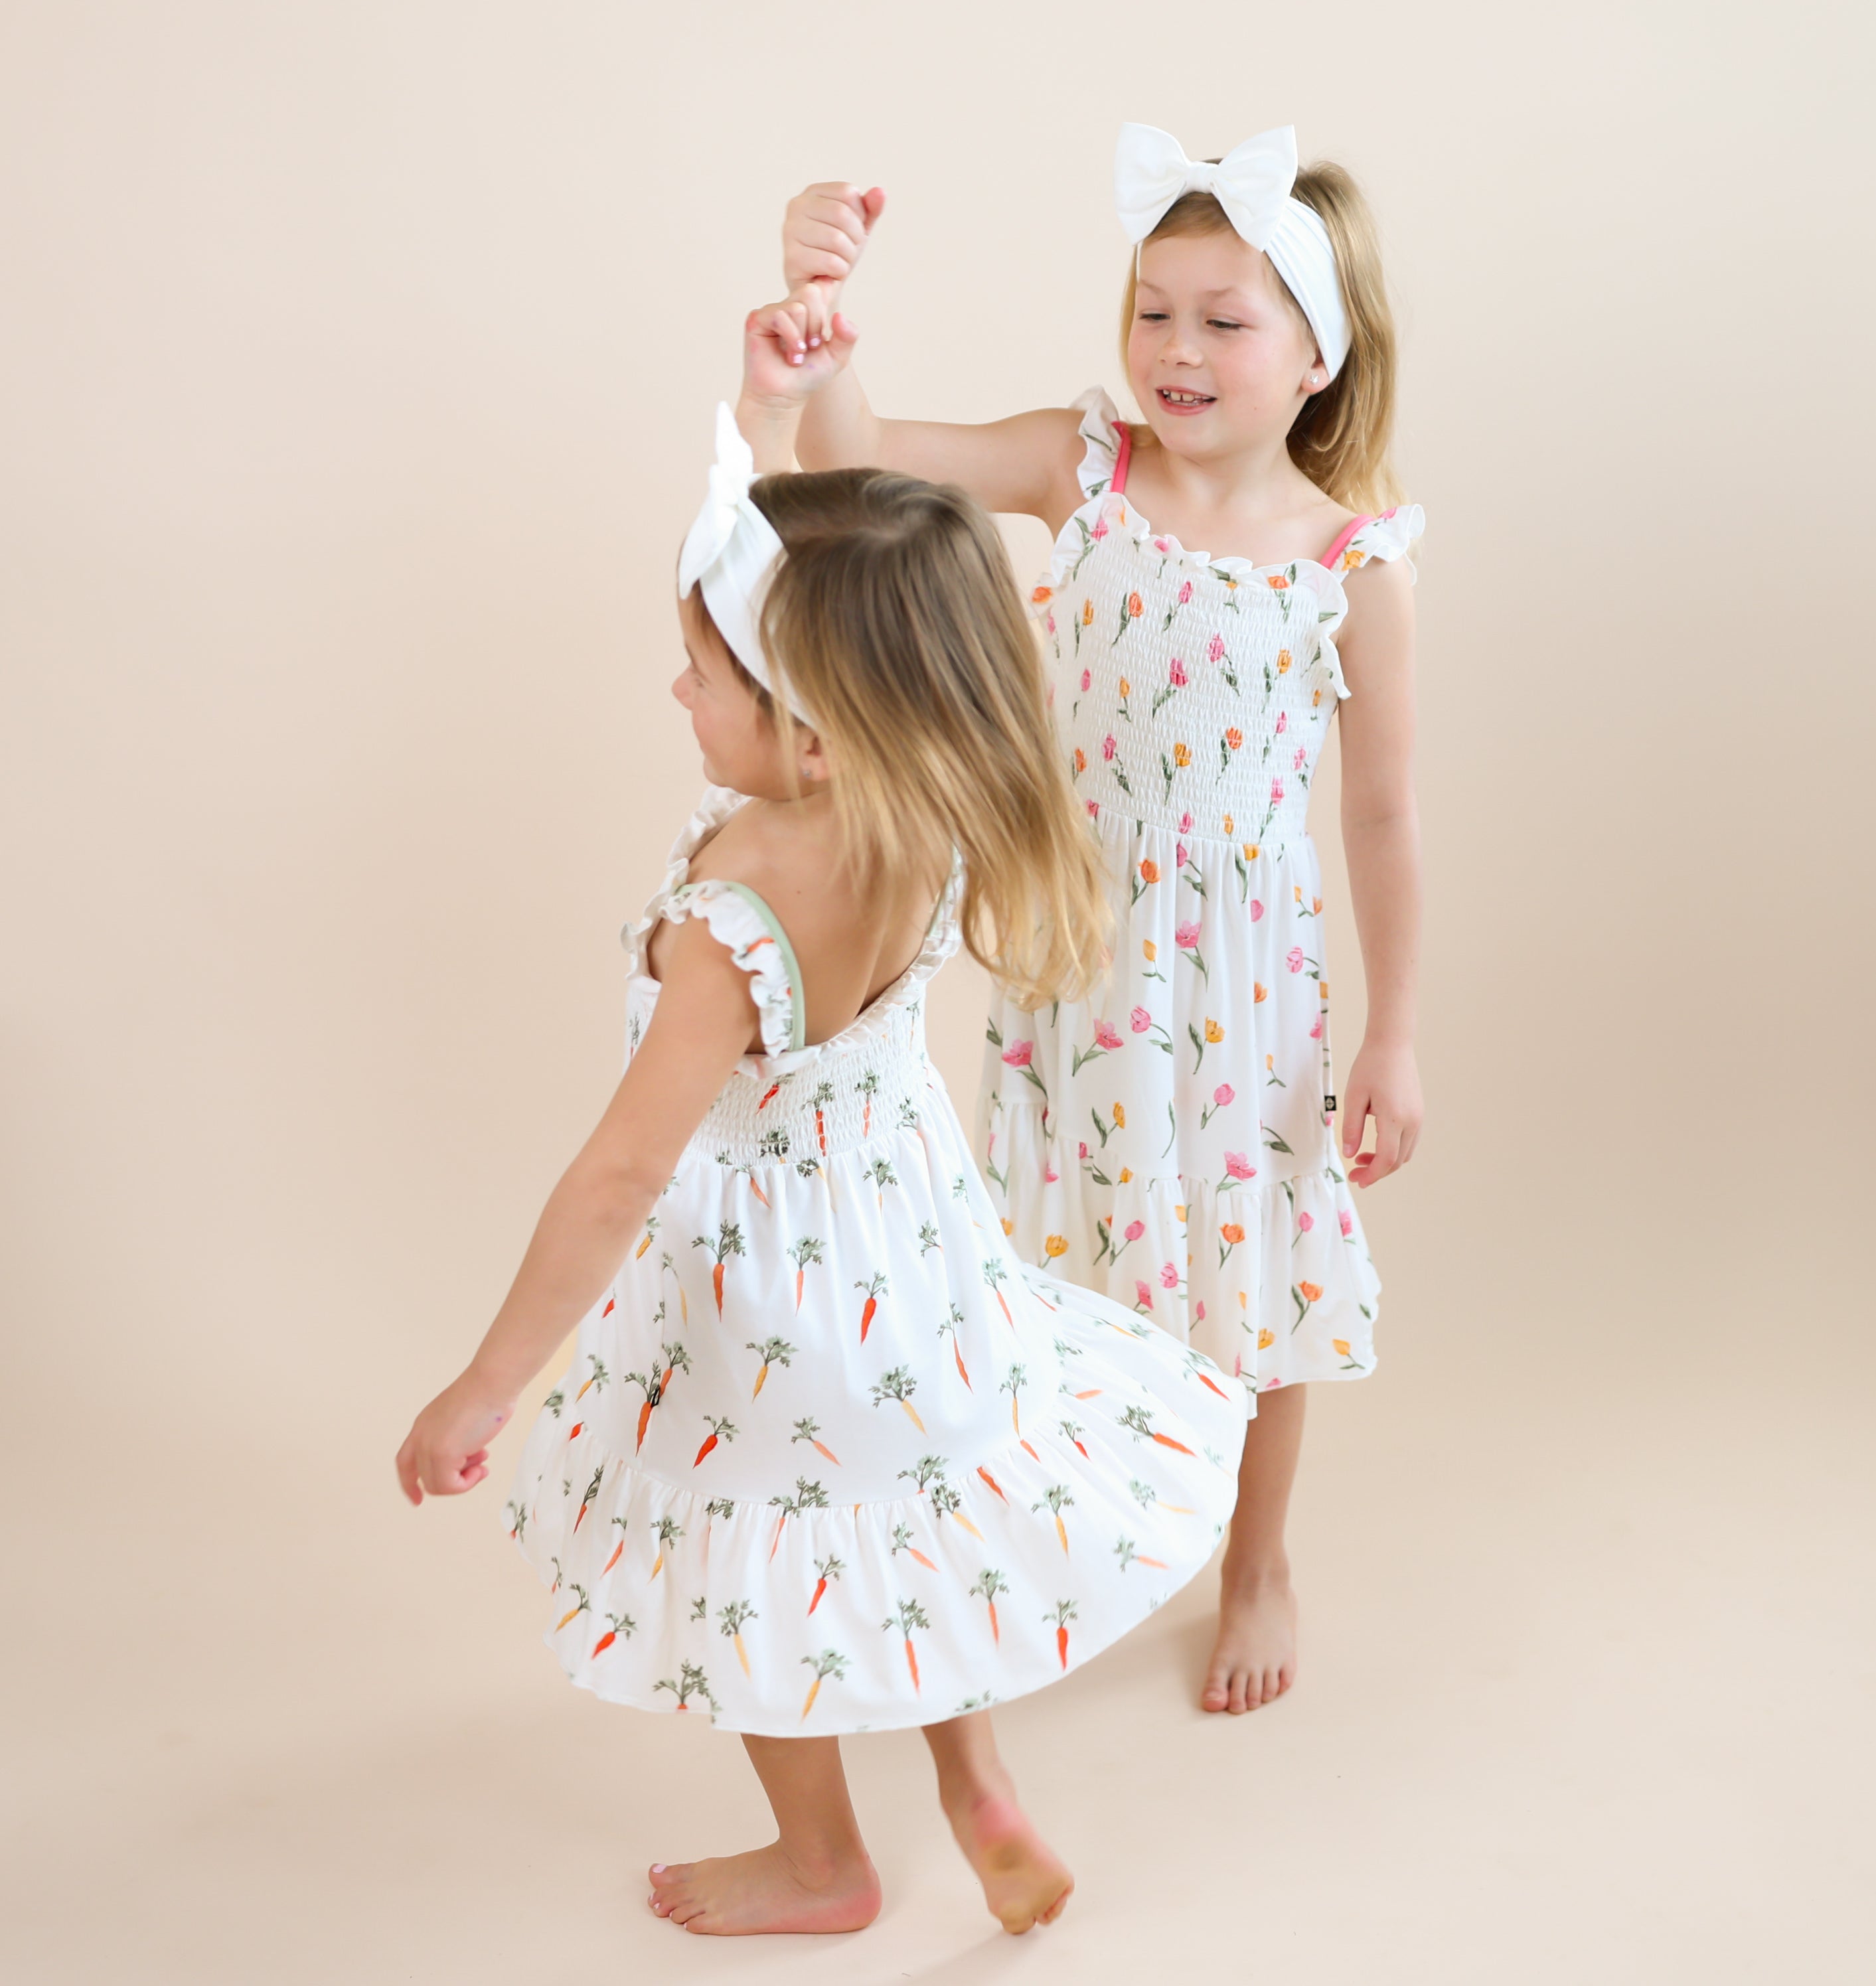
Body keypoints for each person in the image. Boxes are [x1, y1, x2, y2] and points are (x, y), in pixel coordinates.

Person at [394, 309, 1245, 1938]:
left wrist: (488, 1384)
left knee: (766, 1556)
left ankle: (821, 1863)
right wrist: (766, 409)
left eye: (704, 673)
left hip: (771, 1296)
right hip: (912, 1253)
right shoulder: (917, 800)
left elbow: (625, 1168)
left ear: (809, 719)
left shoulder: (739, 906)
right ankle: (980, 1789)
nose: (676, 685)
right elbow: (857, 569)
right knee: (914, 1521)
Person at [765, 121, 1425, 1717]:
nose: (1175, 350)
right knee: (1063, 1255)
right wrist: (824, 323)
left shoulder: (1352, 563)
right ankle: (1067, 1536)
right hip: (1084, 962)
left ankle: (1254, 1550)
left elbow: (1384, 815)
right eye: (1152, 310)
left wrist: (1396, 1031)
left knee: (1244, 1266)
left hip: (1254, 987)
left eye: (1223, 318)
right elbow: (850, 465)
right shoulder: (1088, 471)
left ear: (1319, 359)